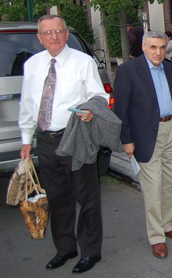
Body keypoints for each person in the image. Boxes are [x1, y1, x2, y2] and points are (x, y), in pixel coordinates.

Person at [18, 15, 108, 273]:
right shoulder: (33, 65)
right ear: (40, 38)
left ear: (66, 34)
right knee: (57, 199)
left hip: (76, 137)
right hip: (46, 141)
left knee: (87, 198)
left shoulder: (83, 62)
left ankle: (91, 252)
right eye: (47, 33)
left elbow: (98, 95)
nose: (53, 36)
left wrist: (91, 110)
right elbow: (28, 103)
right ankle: (65, 249)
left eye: (58, 31)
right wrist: (26, 139)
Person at [113, 30, 172, 259]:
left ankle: (168, 224)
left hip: (170, 130)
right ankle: (157, 237)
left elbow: (171, 100)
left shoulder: (168, 68)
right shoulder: (128, 70)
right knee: (153, 186)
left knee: (171, 182)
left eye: (162, 47)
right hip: (145, 135)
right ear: (144, 48)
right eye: (153, 47)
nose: (158, 52)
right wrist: (127, 140)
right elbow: (121, 109)